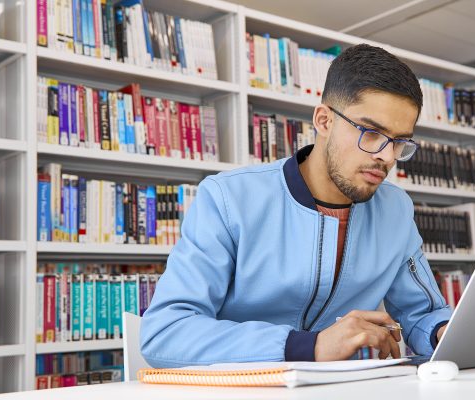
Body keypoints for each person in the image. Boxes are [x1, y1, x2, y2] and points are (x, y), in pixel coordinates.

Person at [140, 44, 452, 367]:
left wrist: (443, 332)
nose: (387, 157)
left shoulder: (396, 212)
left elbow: (423, 314)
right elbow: (165, 332)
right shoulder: (227, 199)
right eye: (371, 133)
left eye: (400, 143)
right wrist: (308, 346)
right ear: (324, 120)